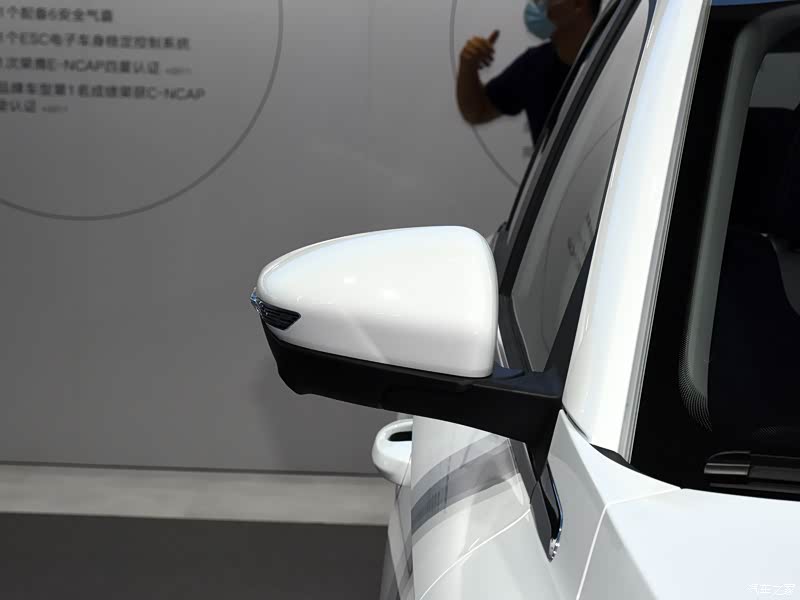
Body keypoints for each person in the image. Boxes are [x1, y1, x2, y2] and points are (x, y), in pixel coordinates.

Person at [456, 0, 602, 144]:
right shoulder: (534, 65)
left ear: (578, 3)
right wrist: (468, 65)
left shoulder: (611, 61)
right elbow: (478, 111)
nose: (536, 5)